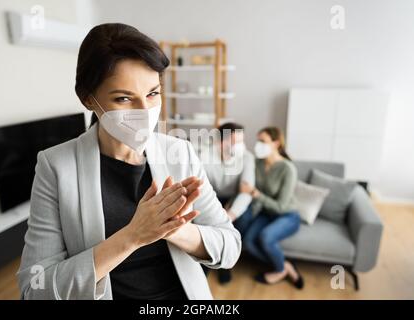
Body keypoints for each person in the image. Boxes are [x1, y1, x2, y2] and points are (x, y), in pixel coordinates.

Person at [17, 23, 241, 300]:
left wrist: (175, 229)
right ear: (88, 99)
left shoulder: (180, 153)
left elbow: (231, 247)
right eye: (124, 98)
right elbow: (34, 289)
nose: (145, 111)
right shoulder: (55, 167)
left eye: (152, 93)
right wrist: (133, 236)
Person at [240, 127, 304, 289]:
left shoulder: (287, 169)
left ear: (276, 143)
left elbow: (281, 206)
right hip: (267, 214)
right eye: (258, 141)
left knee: (266, 237)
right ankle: (285, 265)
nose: (258, 145)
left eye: (263, 141)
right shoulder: (258, 163)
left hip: (287, 215)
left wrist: (255, 193)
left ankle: (280, 270)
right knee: (248, 241)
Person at [200, 122, 255, 284]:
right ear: (221, 141)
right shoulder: (205, 156)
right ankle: (208, 260)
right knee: (206, 223)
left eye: (241, 141)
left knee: (241, 222)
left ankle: (225, 264)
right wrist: (216, 210)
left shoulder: (247, 158)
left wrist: (230, 215)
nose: (240, 146)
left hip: (237, 198)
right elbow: (202, 187)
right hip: (212, 197)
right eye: (235, 141)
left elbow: (246, 192)